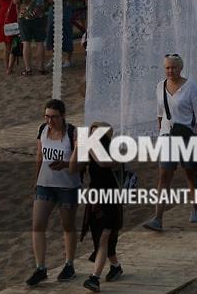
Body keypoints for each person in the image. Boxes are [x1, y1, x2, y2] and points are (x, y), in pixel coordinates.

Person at [144, 54, 197, 229]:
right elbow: (160, 113)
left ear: (180, 68)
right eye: (167, 68)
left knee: (190, 174)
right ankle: (158, 218)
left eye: (173, 67)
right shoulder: (160, 86)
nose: (170, 71)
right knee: (164, 176)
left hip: (186, 135)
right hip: (167, 136)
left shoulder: (190, 87)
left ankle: (196, 208)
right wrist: (161, 132)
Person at [27, 98, 81, 286]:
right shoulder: (43, 129)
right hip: (46, 183)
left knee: (68, 225)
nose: (50, 121)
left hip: (68, 185)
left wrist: (66, 164)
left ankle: (69, 264)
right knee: (38, 224)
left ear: (63, 116)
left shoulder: (73, 133)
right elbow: (39, 155)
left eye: (54, 117)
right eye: (47, 116)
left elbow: (81, 164)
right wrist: (36, 180)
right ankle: (40, 268)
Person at [69, 122, 125, 290]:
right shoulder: (91, 150)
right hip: (96, 199)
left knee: (104, 237)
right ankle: (115, 266)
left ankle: (94, 278)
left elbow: (104, 163)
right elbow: (73, 168)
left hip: (111, 199)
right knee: (102, 239)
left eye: (96, 134)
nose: (92, 137)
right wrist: (77, 148)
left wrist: (88, 144)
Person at [14, 0, 50, 76]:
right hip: (39, 15)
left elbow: (16, 0)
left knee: (26, 43)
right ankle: (41, 67)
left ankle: (28, 68)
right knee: (40, 42)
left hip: (25, 15)